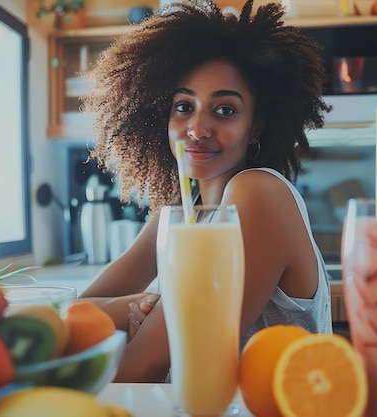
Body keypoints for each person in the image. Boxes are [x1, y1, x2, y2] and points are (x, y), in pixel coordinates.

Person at [79, 0, 333, 383]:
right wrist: (140, 304)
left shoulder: (257, 195)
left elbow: (143, 366)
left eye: (225, 110)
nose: (197, 128)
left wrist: (141, 315)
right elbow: (80, 314)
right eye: (184, 106)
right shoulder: (182, 209)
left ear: (257, 126)